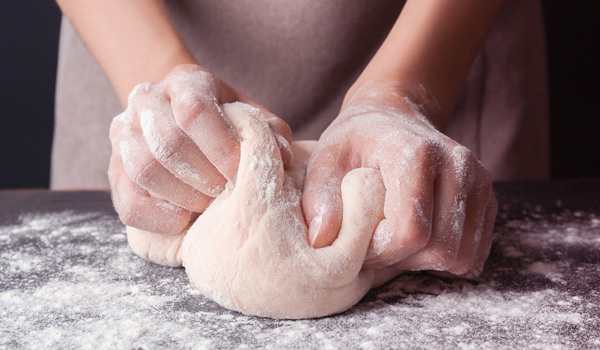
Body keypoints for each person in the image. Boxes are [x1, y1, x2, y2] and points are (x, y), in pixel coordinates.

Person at [53, 0, 549, 277]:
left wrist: (403, 91)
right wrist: (159, 82)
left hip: (437, 47)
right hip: (132, 37)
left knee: (426, 226)